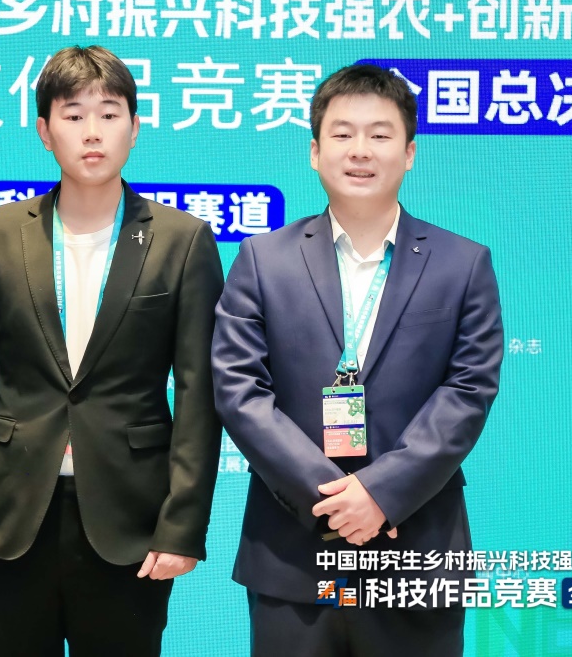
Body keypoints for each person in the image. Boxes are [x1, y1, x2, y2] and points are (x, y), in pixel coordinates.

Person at [0, 45, 224, 657]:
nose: (92, 132)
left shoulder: (182, 240)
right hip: (10, 518)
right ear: (44, 132)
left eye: (110, 114)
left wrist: (182, 525)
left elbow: (200, 395)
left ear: (135, 128)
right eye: (73, 115)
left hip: (130, 520)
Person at [212, 63, 503, 656]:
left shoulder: (462, 264)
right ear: (315, 152)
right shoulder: (264, 259)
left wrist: (380, 493)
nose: (361, 150)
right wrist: (332, 500)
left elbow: (468, 390)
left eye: (380, 134)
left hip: (416, 551)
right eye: (342, 134)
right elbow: (240, 390)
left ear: (410, 152)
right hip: (293, 554)